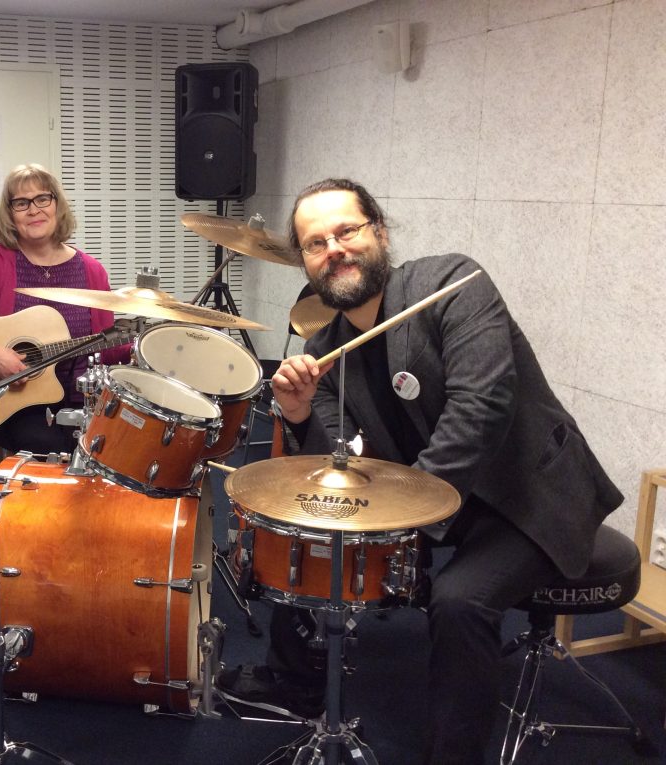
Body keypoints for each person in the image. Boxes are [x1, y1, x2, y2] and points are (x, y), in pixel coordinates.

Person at [219, 178, 623, 763]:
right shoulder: (325, 349)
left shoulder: (452, 285)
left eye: (347, 231)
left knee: (459, 601)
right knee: (310, 527)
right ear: (304, 262)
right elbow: (342, 461)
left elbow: (480, 408)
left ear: (380, 233)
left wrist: (408, 523)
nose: (334, 249)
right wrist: (301, 413)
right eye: (315, 243)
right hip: (430, 497)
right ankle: (297, 680)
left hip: (529, 494)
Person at [0, 163, 130, 455]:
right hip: (15, 401)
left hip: (81, 401)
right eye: (21, 203)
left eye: (43, 199)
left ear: (57, 204)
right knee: (48, 446)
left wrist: (142, 347)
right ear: (10, 213)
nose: (33, 210)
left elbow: (103, 349)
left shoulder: (92, 271)